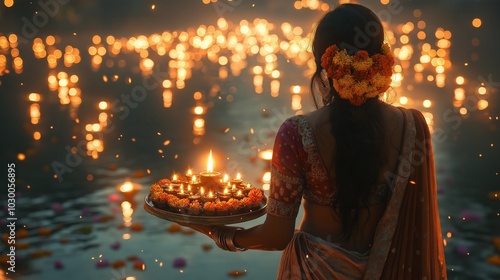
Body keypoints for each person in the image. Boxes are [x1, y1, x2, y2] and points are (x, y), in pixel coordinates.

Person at [186, 3, 447, 279]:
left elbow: (276, 236)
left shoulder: (297, 133)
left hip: (310, 270)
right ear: (381, 58)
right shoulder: (413, 126)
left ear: (323, 62)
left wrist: (224, 235)